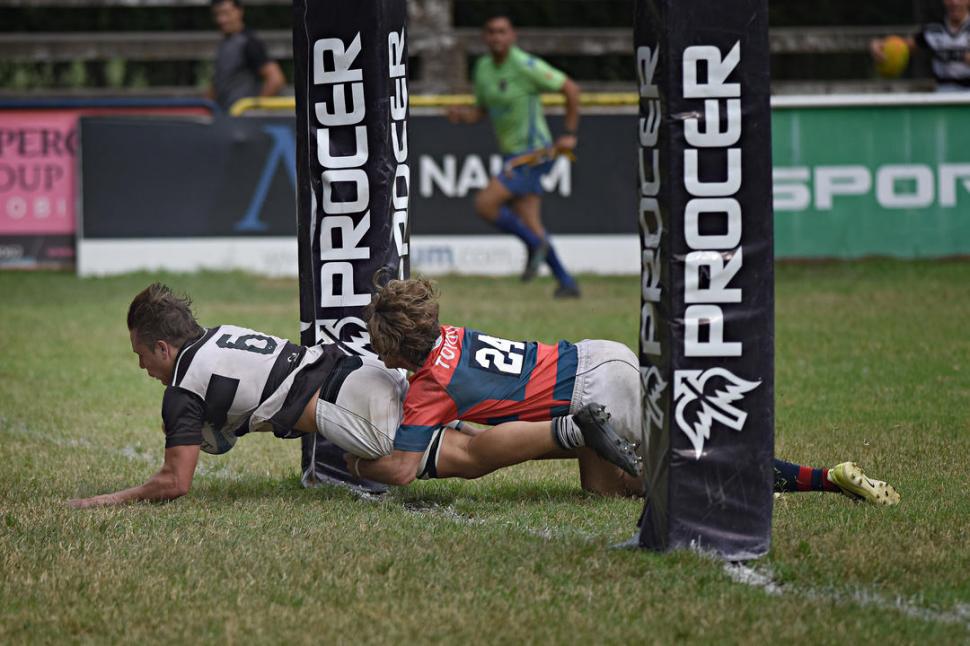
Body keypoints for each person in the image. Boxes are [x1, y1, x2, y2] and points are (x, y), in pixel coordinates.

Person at [68, 283, 639, 508]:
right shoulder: (219, 336)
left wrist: (95, 502)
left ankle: (571, 428)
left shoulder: (181, 391)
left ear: (164, 347)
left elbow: (176, 482)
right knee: (598, 485)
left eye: (141, 355)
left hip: (357, 408)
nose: (140, 365)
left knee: (457, 457)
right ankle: (600, 446)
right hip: (357, 370)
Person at [355, 277, 902, 506]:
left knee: (698, 460)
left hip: (593, 395)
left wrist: (353, 465)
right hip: (596, 358)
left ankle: (821, 479)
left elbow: (403, 469)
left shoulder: (430, 387)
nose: (380, 357)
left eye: (382, 347)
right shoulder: (451, 338)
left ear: (402, 347)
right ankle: (711, 482)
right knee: (606, 491)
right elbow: (495, 397)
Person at [446, 14, 582, 298]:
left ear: (512, 36)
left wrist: (569, 133)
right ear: (485, 37)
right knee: (531, 222)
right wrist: (464, 116)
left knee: (485, 203)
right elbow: (482, 110)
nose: (496, 37)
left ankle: (534, 245)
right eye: (491, 32)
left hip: (534, 153)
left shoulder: (524, 64)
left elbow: (571, 89)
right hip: (513, 153)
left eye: (502, 31)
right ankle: (566, 283)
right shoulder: (483, 68)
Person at [870, 0, 970, 91]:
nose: (955, 3)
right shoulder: (934, 29)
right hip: (943, 95)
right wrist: (880, 45)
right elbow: (904, 46)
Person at [207, 0, 286, 111]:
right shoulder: (224, 44)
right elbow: (216, 85)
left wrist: (254, 110)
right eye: (217, 15)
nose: (221, 20)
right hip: (225, 118)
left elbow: (275, 80)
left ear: (239, 11)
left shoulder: (249, 43)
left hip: (242, 120)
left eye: (226, 13)